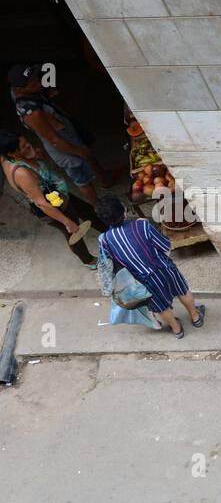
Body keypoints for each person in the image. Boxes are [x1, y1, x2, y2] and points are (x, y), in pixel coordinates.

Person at [95, 195, 204, 339]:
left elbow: (109, 263)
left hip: (144, 281)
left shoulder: (104, 240)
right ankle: (196, 318)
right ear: (124, 211)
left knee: (161, 307)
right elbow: (165, 245)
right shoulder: (142, 225)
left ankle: (177, 330)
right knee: (182, 291)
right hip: (166, 269)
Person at [0, 128, 106, 268]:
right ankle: (88, 261)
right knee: (74, 234)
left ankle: (110, 232)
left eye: (26, 142)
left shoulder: (5, 157)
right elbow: (41, 203)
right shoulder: (22, 173)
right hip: (52, 207)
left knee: (87, 211)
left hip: (57, 194)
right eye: (23, 147)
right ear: (12, 153)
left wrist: (36, 155)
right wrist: (66, 222)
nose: (29, 145)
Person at [9, 63, 106, 204]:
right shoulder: (33, 113)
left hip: (67, 134)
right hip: (64, 148)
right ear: (20, 89)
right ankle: (98, 206)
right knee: (82, 179)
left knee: (89, 155)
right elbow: (54, 140)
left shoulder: (18, 90)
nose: (38, 83)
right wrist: (78, 151)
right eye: (33, 84)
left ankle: (105, 180)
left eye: (36, 79)